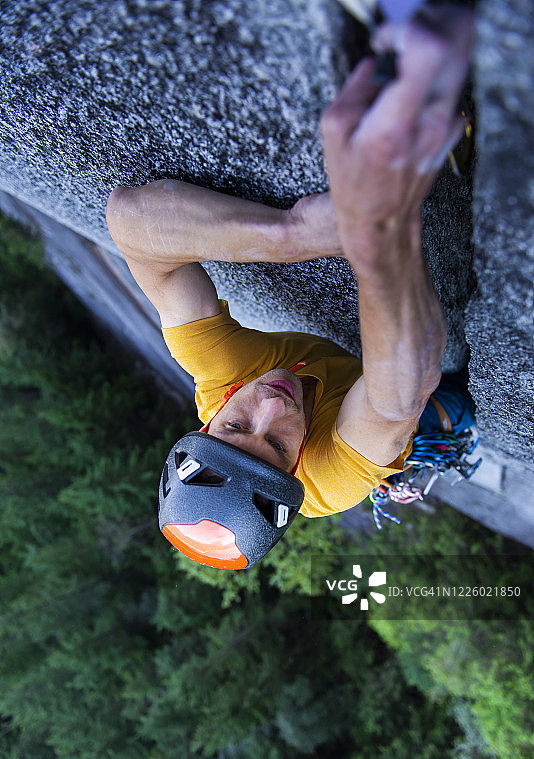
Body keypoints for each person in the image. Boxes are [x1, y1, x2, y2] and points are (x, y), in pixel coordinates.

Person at [106, 7, 474, 569]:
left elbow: (130, 222)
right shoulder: (329, 479)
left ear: (208, 420)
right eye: (278, 446)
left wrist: (298, 231)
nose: (268, 410)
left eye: (234, 425)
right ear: (296, 466)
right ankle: (431, 454)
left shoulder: (222, 376)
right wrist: (377, 238)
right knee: (446, 403)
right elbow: (396, 397)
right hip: (406, 410)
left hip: (343, 352)